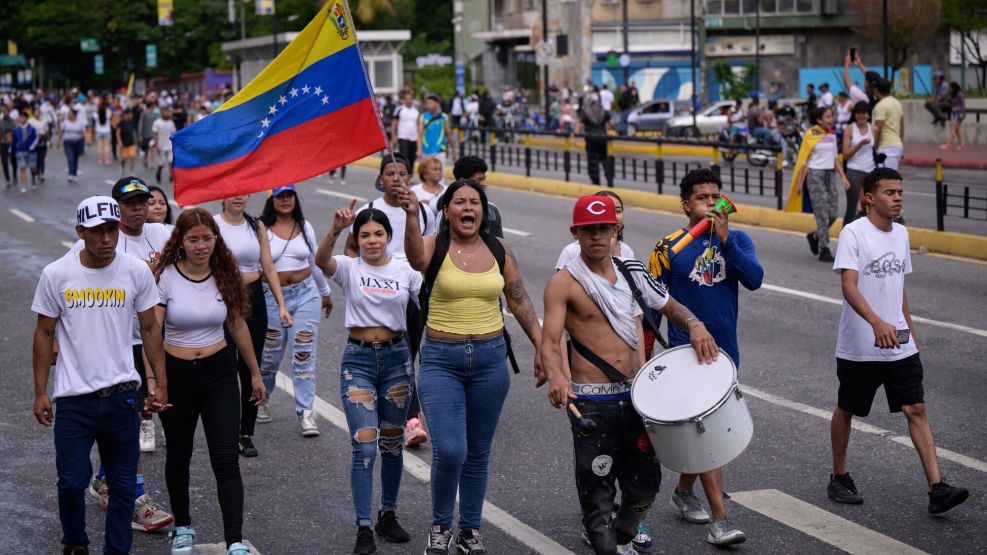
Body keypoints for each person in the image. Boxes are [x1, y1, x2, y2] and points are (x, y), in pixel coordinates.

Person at [544, 194, 719, 555]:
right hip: (592, 401)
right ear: (575, 232)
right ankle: (608, 545)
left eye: (604, 229)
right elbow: (550, 340)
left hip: (638, 397)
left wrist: (696, 323)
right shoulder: (564, 283)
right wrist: (556, 376)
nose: (596, 237)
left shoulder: (632, 271)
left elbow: (669, 306)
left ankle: (623, 538)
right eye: (589, 230)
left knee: (645, 486)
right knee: (597, 493)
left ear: (615, 229)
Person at [400, 179, 544, 555]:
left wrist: (543, 347)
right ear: (446, 212)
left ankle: (470, 531)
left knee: (478, 452)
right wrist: (412, 215)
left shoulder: (500, 249)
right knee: (450, 450)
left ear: (483, 210)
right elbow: (415, 258)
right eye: (459, 202)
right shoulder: (436, 245)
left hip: (490, 360)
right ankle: (440, 524)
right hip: (441, 361)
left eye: (474, 202)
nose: (468, 207)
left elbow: (520, 299)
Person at [827, 167, 970, 515]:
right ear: (869, 198)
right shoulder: (854, 234)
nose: (897, 198)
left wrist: (912, 334)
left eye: (900, 193)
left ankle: (937, 487)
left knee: (915, 407)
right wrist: (876, 322)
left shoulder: (902, 234)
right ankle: (839, 475)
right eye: (890, 193)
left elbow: (898, 289)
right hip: (861, 345)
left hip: (899, 343)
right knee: (849, 408)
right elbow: (849, 286)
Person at [33, 195, 168, 555]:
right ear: (80, 232)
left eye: (112, 230)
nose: (107, 239)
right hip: (74, 400)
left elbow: (151, 329)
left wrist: (159, 381)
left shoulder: (134, 271)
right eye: (97, 232)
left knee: (124, 486)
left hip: (123, 395)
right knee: (71, 482)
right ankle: (75, 541)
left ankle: (116, 550)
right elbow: (44, 333)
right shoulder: (57, 274)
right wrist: (40, 391)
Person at [646, 169, 763, 547]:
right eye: (702, 198)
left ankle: (682, 491)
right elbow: (649, 304)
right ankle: (720, 520)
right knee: (710, 430)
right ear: (686, 206)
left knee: (707, 430)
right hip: (686, 353)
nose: (712, 203)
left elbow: (755, 278)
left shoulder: (738, 239)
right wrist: (644, 359)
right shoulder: (669, 249)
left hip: (726, 351)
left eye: (716, 196)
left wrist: (727, 240)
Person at [153, 208, 264, 555]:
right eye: (193, 239)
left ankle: (234, 540)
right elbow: (152, 331)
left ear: (216, 239)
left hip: (219, 374)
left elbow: (237, 325)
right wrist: (156, 381)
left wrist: (255, 373)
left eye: (207, 238)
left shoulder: (224, 274)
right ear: (180, 242)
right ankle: (183, 526)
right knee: (179, 453)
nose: (201, 246)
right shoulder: (165, 276)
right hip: (177, 375)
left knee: (225, 458)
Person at [315, 204, 420, 555]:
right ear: (356, 239)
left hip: (396, 361)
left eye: (378, 234)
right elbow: (321, 261)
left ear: (388, 237)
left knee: (392, 443)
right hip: (358, 361)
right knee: (363, 446)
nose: (372, 241)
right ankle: (363, 527)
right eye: (364, 235)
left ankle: (387, 515)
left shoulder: (406, 271)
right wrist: (334, 229)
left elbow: (432, 302)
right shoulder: (348, 268)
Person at [215, 194, 292, 457]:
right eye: (232, 192)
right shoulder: (213, 225)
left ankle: (245, 432)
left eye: (243, 192)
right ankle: (224, 429)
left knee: (251, 365)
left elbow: (268, 266)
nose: (238, 197)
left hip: (254, 296)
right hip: (222, 296)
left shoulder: (256, 225)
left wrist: (281, 304)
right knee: (224, 366)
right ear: (222, 196)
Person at [256, 185, 333, 436]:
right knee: (269, 356)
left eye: (290, 195)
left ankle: (306, 413)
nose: (285, 200)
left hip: (305, 294)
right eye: (280, 196)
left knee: (303, 353)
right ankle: (262, 398)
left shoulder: (305, 226)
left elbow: (314, 262)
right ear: (272, 199)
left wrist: (325, 293)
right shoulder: (260, 228)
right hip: (270, 298)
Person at [344, 155, 437, 261]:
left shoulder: (424, 212)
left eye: (401, 174)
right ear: (381, 179)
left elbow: (431, 248)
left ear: (409, 178)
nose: (396, 178)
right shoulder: (366, 211)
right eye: (390, 174)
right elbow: (350, 248)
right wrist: (360, 272)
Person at [787, 107, 850, 262]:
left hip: (830, 174)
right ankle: (824, 248)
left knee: (833, 213)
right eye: (828, 117)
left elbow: (835, 158)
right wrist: (800, 183)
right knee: (821, 213)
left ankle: (815, 235)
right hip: (815, 175)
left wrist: (843, 177)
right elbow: (804, 159)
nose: (831, 119)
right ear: (819, 120)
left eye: (831, 116)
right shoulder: (811, 134)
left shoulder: (832, 134)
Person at [452, 155, 504, 239]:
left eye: (484, 179)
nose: (483, 184)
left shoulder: (492, 211)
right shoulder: (449, 212)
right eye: (479, 180)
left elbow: (499, 245)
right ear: (462, 181)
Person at [842, 102, 875, 227]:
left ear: (868, 115)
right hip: (854, 171)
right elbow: (845, 155)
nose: (861, 116)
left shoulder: (873, 128)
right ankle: (844, 240)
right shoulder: (850, 129)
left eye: (864, 113)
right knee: (851, 209)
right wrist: (859, 144)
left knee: (870, 208)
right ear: (855, 115)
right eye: (858, 113)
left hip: (870, 171)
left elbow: (876, 148)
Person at [575, 94, 614, 187]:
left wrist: (575, 138)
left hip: (591, 140)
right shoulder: (604, 111)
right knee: (605, 160)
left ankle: (596, 183)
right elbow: (611, 123)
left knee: (593, 162)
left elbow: (579, 126)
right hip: (602, 139)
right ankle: (609, 181)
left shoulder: (586, 112)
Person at [872, 78, 904, 170]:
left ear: (876, 90)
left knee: (887, 180)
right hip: (897, 145)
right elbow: (902, 126)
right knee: (890, 178)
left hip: (886, 148)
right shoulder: (897, 103)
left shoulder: (881, 106)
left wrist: (875, 147)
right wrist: (901, 143)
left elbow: (878, 128)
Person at [418, 93, 456, 162]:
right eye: (427, 103)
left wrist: (453, 151)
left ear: (437, 104)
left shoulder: (444, 117)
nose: (428, 105)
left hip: (440, 151)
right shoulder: (423, 117)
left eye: (430, 103)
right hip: (426, 151)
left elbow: (449, 135)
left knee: (439, 172)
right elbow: (419, 135)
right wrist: (419, 150)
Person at [390, 91, 420, 171]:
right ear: (404, 100)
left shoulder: (416, 110)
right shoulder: (399, 109)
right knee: (404, 156)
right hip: (402, 136)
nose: (409, 100)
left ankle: (410, 174)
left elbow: (419, 124)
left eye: (410, 98)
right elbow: (394, 123)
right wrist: (394, 136)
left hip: (414, 137)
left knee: (412, 157)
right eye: (407, 99)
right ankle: (404, 173)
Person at [12, 111, 38, 192]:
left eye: (23, 117)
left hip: (31, 151)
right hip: (20, 151)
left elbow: (36, 138)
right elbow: (14, 141)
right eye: (20, 117)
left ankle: (33, 179)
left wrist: (32, 147)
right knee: (22, 167)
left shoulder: (32, 128)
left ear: (26, 118)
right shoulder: (16, 130)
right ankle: (24, 184)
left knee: (32, 167)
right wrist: (12, 150)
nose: (22, 119)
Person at [59, 109, 87, 183]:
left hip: (78, 142)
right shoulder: (65, 122)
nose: (68, 115)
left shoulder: (80, 122)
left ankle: (75, 174)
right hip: (68, 142)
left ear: (74, 114)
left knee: (75, 158)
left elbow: (83, 132)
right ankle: (70, 174)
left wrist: (86, 141)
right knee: (71, 158)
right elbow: (61, 132)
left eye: (69, 113)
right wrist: (58, 142)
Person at [152, 106, 177, 184]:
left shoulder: (171, 122)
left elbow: (173, 133)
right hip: (161, 145)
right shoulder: (157, 122)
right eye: (164, 111)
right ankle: (158, 172)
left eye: (167, 111)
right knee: (162, 162)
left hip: (170, 145)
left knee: (171, 161)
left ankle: (171, 176)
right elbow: (155, 134)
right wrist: (156, 145)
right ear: (161, 112)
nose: (166, 113)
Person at [28, 105, 51, 184]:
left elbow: (47, 132)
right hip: (34, 144)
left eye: (38, 112)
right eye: (36, 111)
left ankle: (42, 173)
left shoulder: (44, 121)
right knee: (36, 159)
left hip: (42, 142)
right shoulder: (30, 121)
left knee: (42, 158)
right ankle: (37, 172)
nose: (37, 113)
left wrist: (48, 141)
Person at [941, 81, 966, 151]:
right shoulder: (951, 94)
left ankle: (948, 144)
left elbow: (963, 104)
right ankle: (962, 144)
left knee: (953, 129)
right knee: (957, 130)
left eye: (950, 87)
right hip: (954, 113)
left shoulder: (960, 94)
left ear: (954, 87)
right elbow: (949, 102)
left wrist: (961, 113)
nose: (949, 89)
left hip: (960, 113)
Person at [116, 109, 139, 177]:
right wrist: (119, 141)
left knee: (132, 156)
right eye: (129, 114)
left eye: (131, 114)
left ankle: (131, 172)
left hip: (132, 143)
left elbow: (135, 132)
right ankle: (122, 168)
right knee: (124, 158)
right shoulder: (121, 122)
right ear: (125, 115)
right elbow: (117, 133)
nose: (131, 115)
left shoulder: (132, 122)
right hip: (124, 144)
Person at [1, 104, 16, 188]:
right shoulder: (0, 121)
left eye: (6, 111)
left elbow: (13, 131)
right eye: (4, 111)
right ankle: (8, 180)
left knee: (13, 161)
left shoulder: (12, 121)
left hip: (11, 143)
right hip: (3, 144)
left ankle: (14, 175)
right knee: (4, 162)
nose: (5, 112)